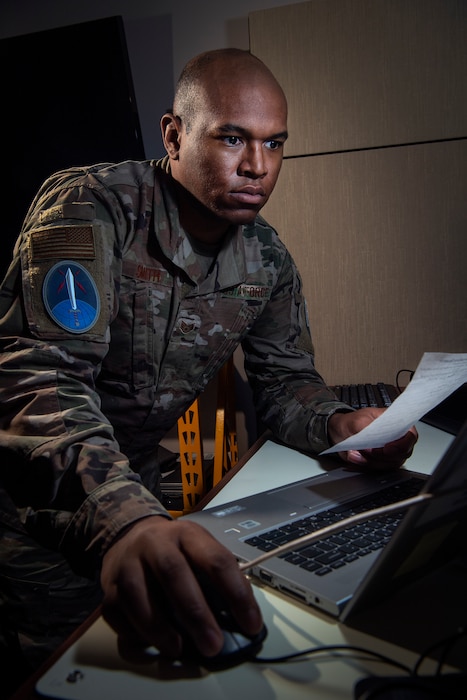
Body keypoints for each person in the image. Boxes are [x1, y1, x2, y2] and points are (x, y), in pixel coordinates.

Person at [0, 47, 417, 696]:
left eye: (273, 143)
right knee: (69, 674)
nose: (258, 166)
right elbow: (39, 380)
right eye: (232, 138)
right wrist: (125, 519)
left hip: (136, 495)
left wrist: (342, 422)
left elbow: (285, 387)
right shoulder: (92, 206)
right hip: (34, 507)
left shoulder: (266, 256)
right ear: (173, 134)